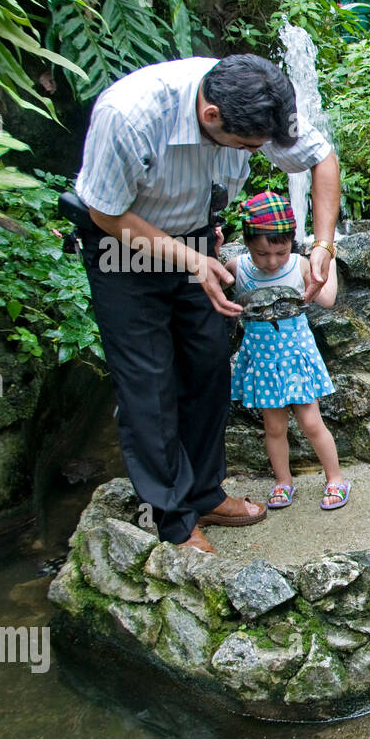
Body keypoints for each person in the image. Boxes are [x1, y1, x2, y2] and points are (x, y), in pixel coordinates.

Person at [72, 54, 341, 554]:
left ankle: (204, 493)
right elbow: (104, 212)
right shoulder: (130, 115)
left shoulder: (257, 98)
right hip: (121, 243)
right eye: (246, 147)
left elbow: (322, 159)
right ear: (211, 116)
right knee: (149, 382)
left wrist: (322, 245)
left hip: (196, 236)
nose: (258, 153)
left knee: (208, 364)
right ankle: (174, 520)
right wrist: (188, 261)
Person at [227, 191, 348, 510]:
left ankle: (335, 478)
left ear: (291, 242)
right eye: (261, 253)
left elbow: (326, 299)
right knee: (274, 426)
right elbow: (214, 287)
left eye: (279, 252)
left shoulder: (299, 265)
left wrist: (327, 257)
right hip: (263, 362)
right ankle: (283, 481)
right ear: (247, 243)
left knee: (311, 423)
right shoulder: (238, 268)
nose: (271, 262)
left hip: (295, 359)